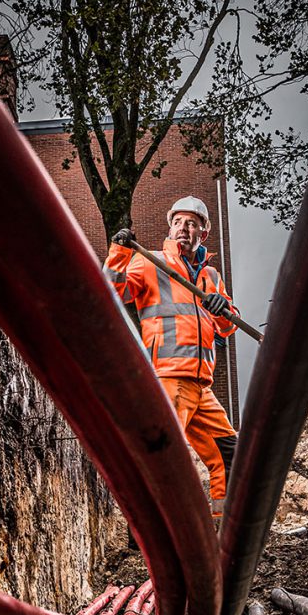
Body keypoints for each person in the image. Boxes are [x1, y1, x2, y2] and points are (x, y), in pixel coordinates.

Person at [104, 196, 238, 518]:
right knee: (163, 458)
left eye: (191, 224)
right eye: (178, 222)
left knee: (230, 457)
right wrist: (119, 252)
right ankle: (148, 536)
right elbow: (112, 290)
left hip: (201, 388)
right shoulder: (151, 262)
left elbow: (228, 326)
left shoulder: (211, 277)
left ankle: (224, 528)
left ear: (202, 233)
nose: (183, 229)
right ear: (170, 226)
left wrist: (223, 313)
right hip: (168, 380)